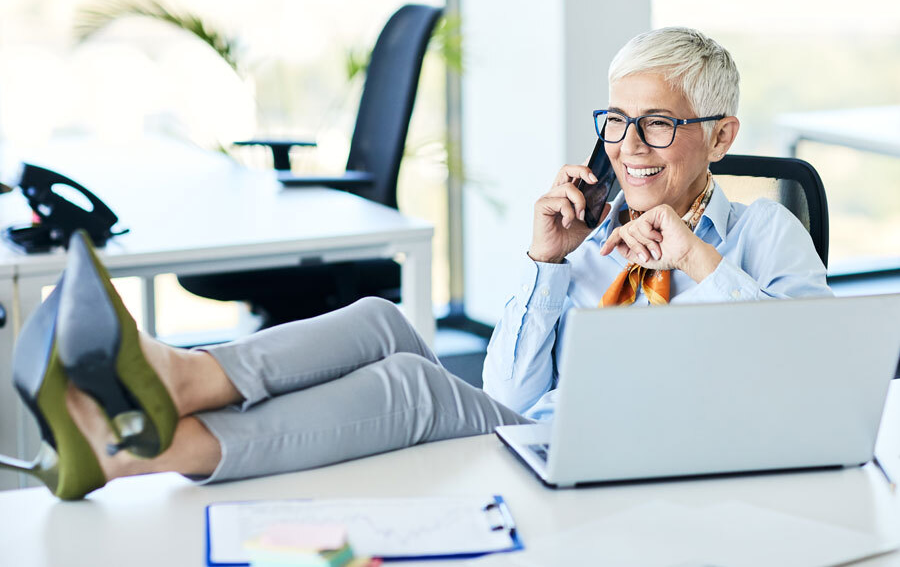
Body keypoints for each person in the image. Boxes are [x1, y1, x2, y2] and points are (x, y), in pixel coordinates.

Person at [1, 27, 830, 500]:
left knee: (413, 386)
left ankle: (154, 430)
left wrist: (693, 256)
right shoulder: (596, 234)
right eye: (615, 122)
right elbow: (508, 394)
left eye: (658, 125)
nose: (628, 148)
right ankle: (155, 409)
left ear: (720, 135)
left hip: (647, 462)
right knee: (382, 322)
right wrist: (546, 264)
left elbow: (808, 386)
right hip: (549, 442)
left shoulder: (764, 238)